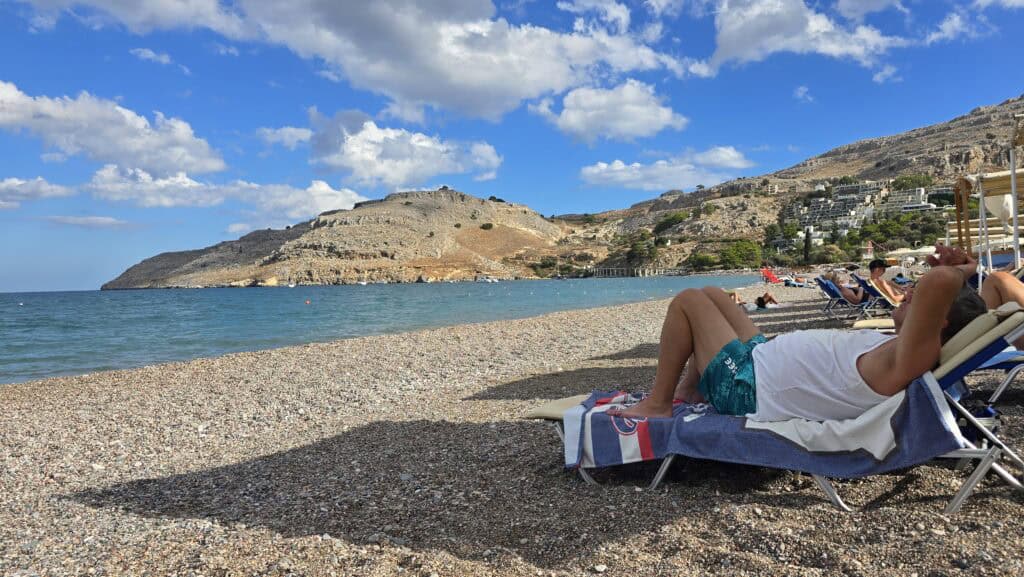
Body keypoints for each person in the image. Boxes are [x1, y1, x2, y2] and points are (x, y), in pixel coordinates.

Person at [615, 261, 987, 422]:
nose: (906, 295)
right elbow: (936, 288)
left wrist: (965, 268)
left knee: (687, 302)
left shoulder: (909, 358)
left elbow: (939, 281)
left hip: (749, 387)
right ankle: (690, 390)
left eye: (914, 297)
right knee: (712, 293)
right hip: (761, 360)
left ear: (937, 319)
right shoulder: (899, 346)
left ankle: (660, 403)